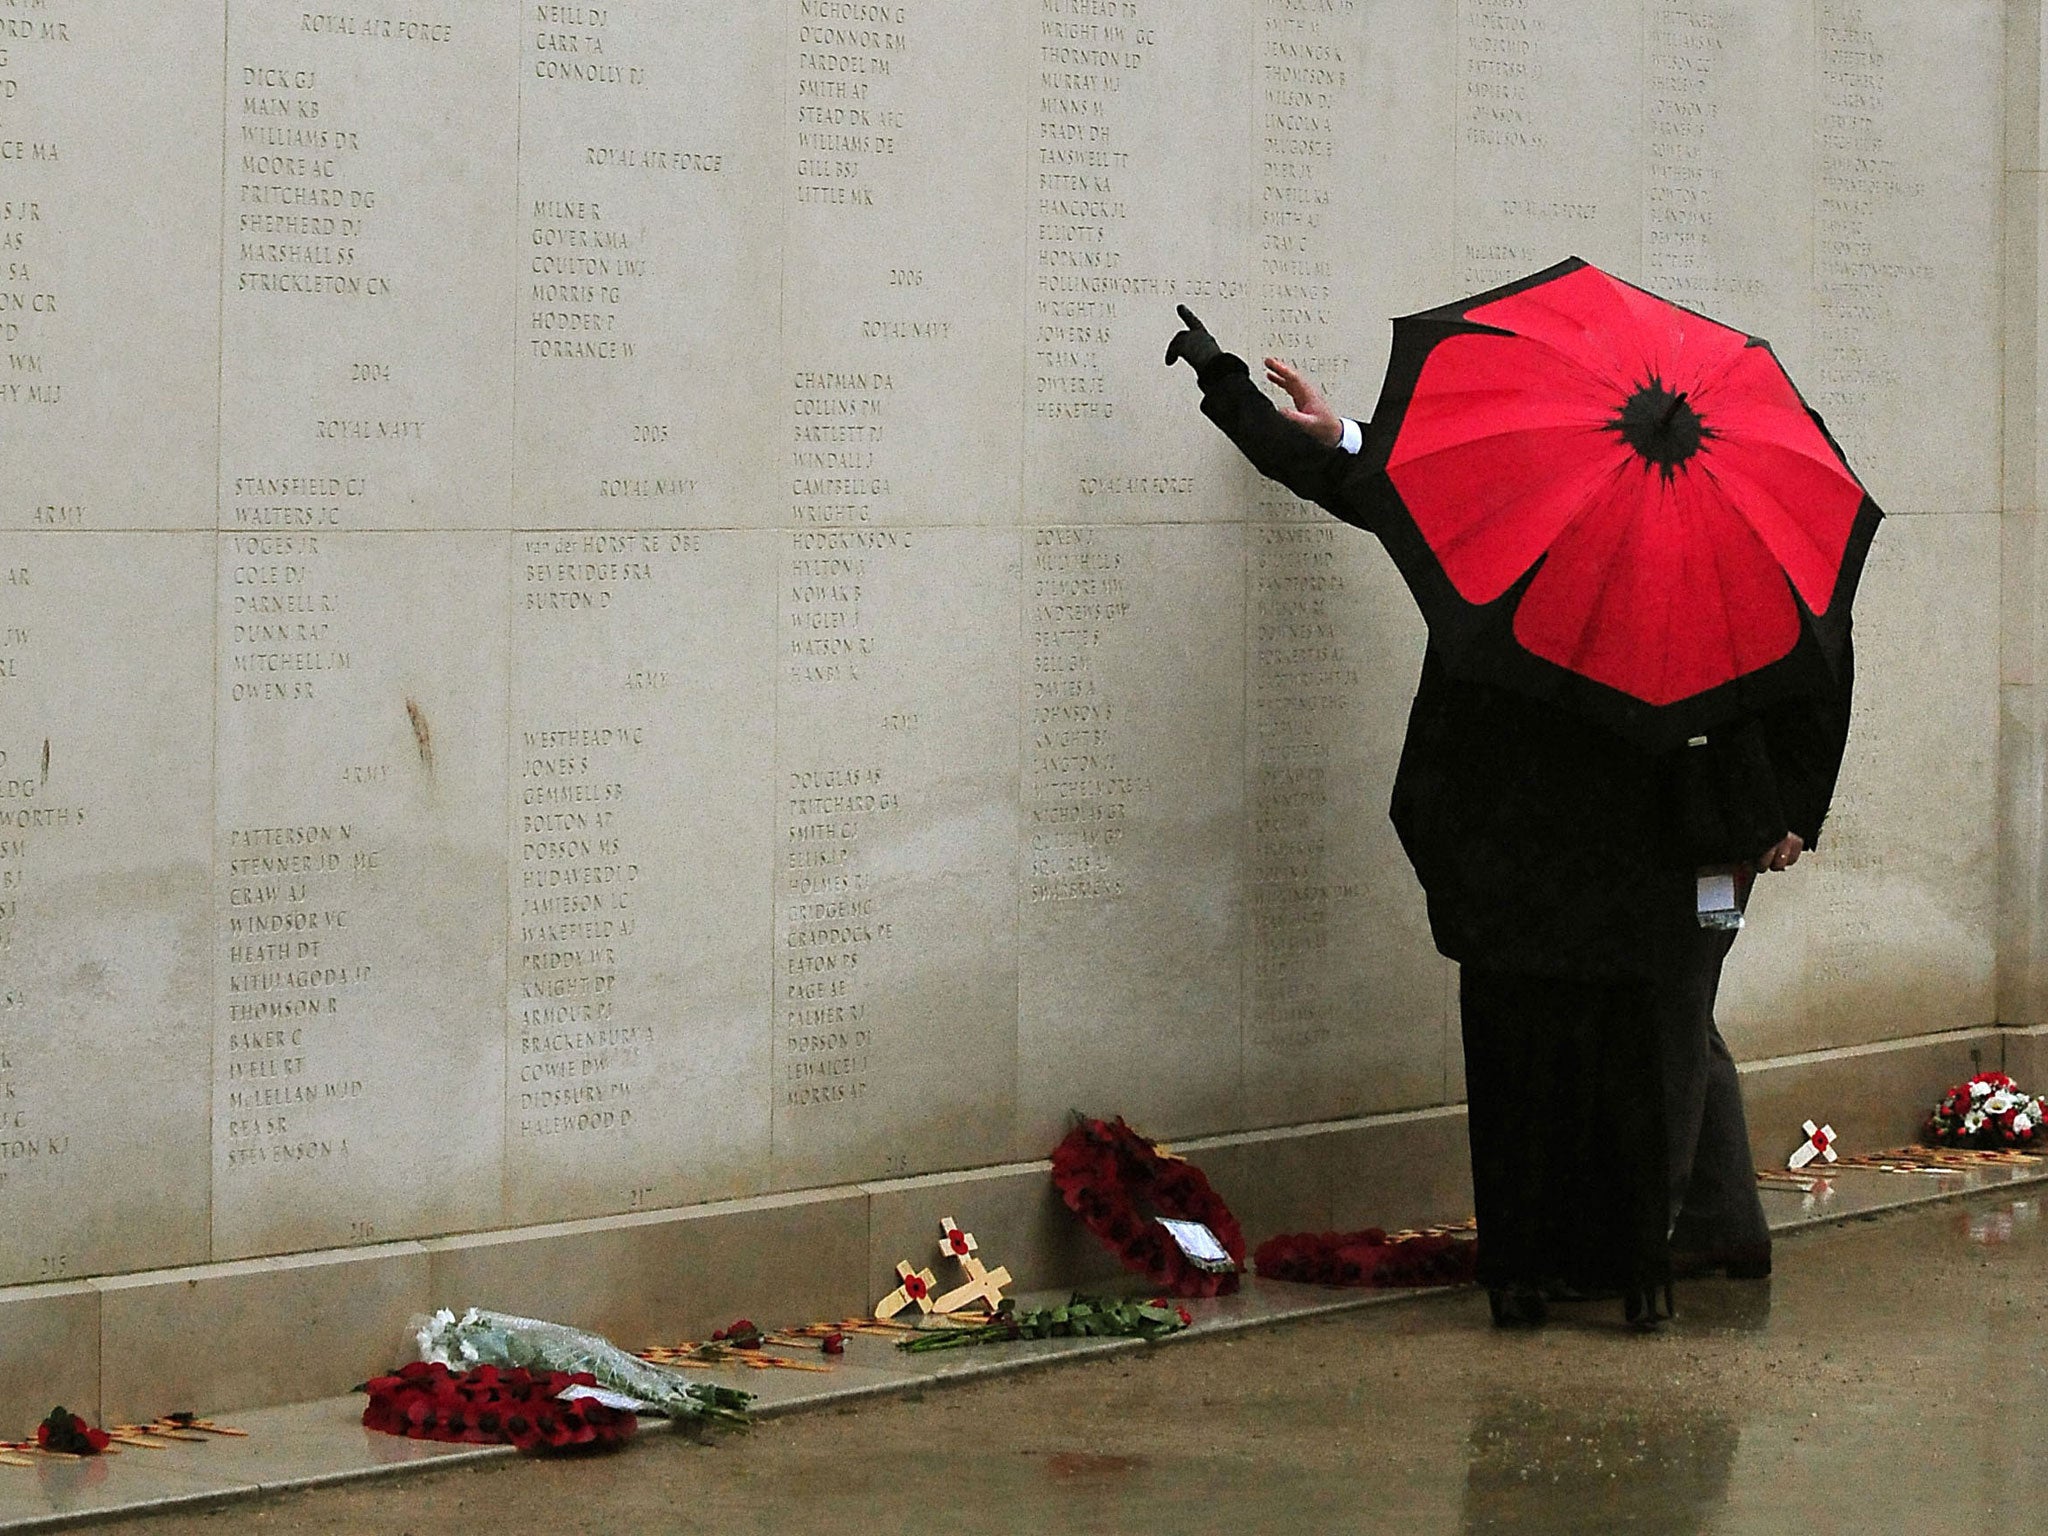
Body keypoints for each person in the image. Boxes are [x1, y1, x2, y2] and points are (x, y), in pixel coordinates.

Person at [1168, 306, 1852, 1328]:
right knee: (1667, 1017)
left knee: (1664, 1026)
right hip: (1607, 836)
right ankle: (1707, 1228)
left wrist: (1792, 808)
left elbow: (1816, 665)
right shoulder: (1564, 502)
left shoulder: (1680, 533)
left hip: (1684, 827)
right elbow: (1364, 481)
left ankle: (1646, 1241)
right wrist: (1293, 415)